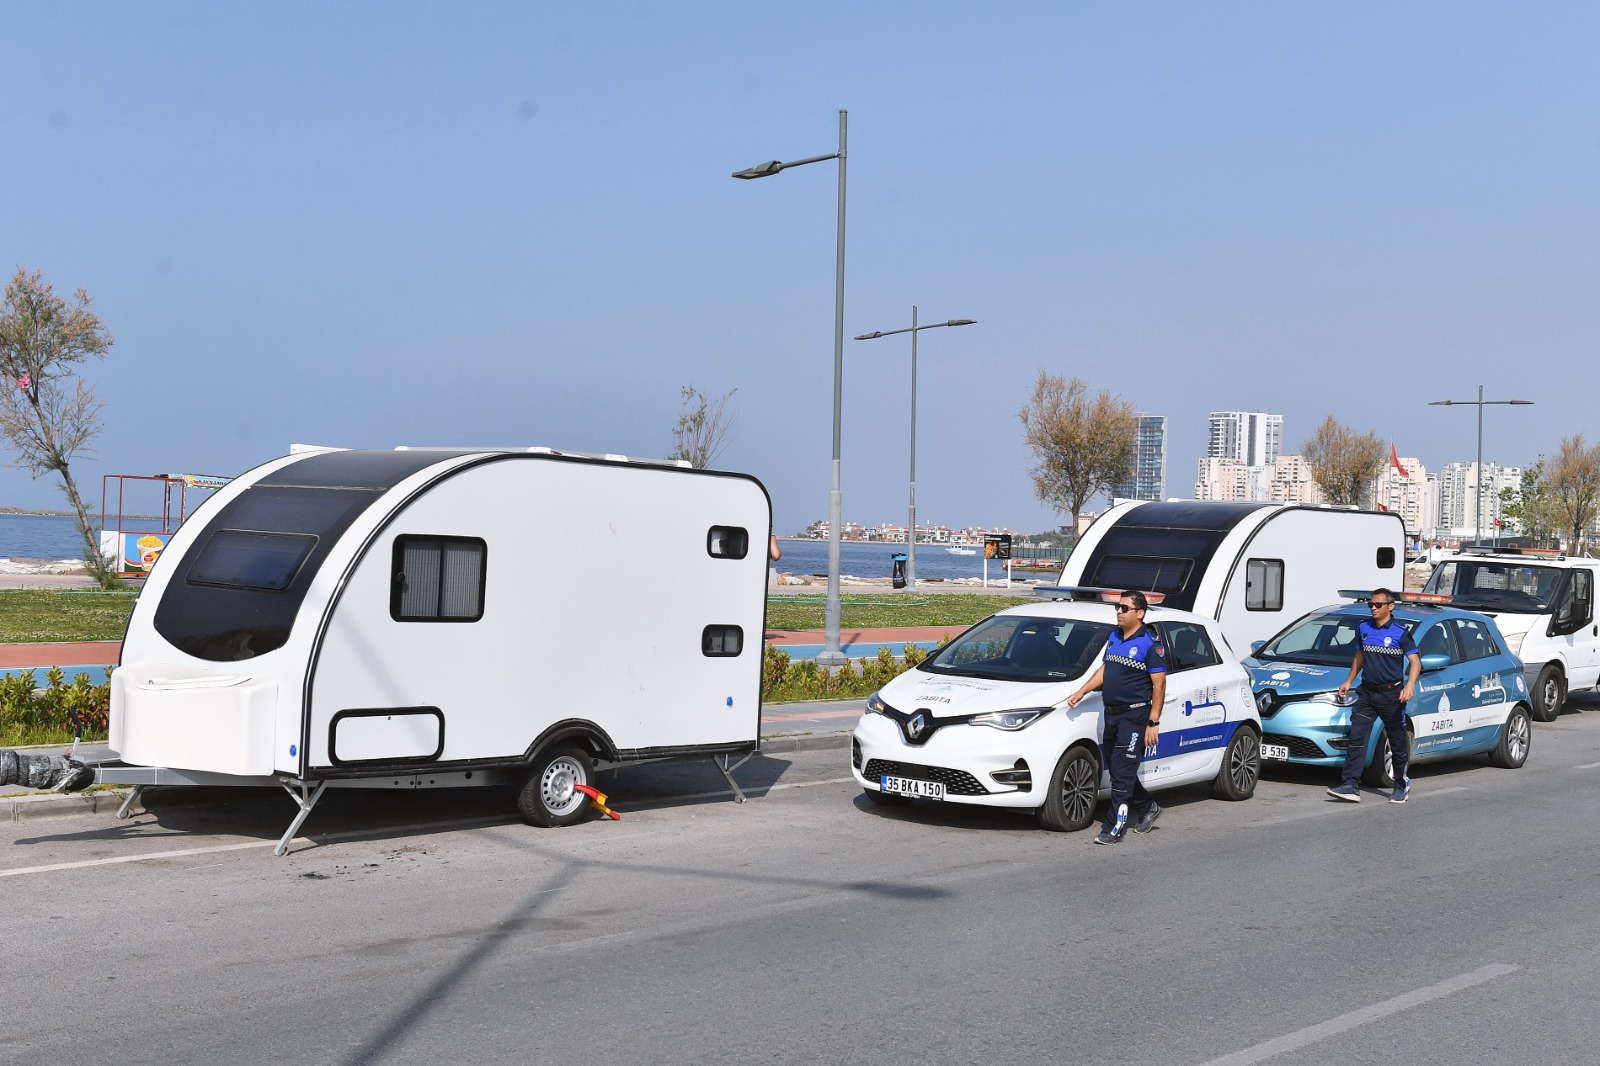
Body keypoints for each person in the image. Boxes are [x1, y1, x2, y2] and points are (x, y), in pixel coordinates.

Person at [1066, 590, 1167, 844]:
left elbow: (1159, 685)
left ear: (1139, 613)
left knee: (1122, 773)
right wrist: (1082, 690)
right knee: (1120, 770)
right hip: (1112, 714)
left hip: (1135, 716)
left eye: (1124, 608)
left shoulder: (1149, 642)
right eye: (1118, 608)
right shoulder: (1114, 637)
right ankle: (1147, 807)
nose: (1119, 612)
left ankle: (1114, 828)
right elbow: (1106, 668)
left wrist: (1153, 722)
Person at [1327, 588, 1421, 804]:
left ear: (1390, 606)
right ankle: (1350, 784)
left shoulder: (1400, 632)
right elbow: (1359, 656)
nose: (1373, 608)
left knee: (1397, 740)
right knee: (1357, 738)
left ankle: (1401, 784)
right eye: (1371, 604)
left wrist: (1410, 686)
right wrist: (1349, 680)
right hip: (1367, 693)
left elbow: (1415, 662)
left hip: (1391, 695)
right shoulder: (1364, 628)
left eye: (1378, 604)